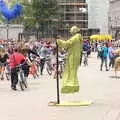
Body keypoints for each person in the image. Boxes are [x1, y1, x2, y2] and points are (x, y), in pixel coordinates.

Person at [57, 26, 83, 94]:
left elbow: (66, 44)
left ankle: (71, 86)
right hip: (76, 56)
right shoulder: (79, 38)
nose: (71, 33)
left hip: (73, 56)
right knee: (73, 71)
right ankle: (74, 86)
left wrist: (58, 41)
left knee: (72, 70)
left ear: (74, 31)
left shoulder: (75, 38)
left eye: (71, 31)